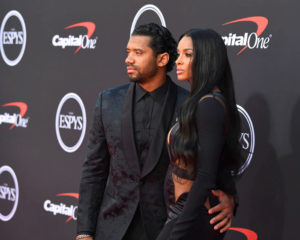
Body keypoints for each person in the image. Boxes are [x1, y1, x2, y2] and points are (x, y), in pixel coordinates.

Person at [76, 23, 237, 240]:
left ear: (161, 60)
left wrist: (230, 198)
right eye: (128, 52)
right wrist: (85, 231)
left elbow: (215, 162)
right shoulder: (108, 101)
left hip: (165, 226)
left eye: (138, 53)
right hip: (113, 226)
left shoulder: (190, 104)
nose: (128, 59)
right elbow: (94, 169)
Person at [156, 28, 241, 240]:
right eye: (179, 54)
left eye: (188, 54)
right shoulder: (198, 103)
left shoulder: (209, 104)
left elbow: (206, 176)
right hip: (183, 213)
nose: (178, 61)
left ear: (207, 58)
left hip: (193, 218)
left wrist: (177, 232)